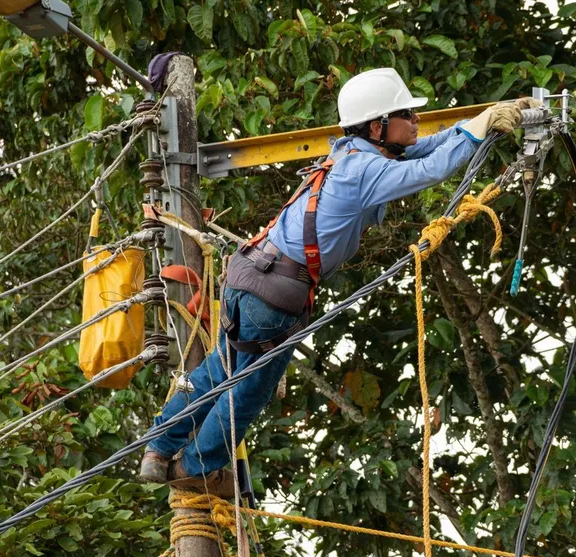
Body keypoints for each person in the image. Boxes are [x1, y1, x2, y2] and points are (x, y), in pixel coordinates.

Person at [139, 67, 539, 486]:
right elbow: (430, 170)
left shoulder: (353, 154)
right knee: (249, 391)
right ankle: (194, 470)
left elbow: (429, 148)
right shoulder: (364, 171)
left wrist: (481, 124)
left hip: (249, 274)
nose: (417, 121)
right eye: (407, 114)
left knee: (221, 370)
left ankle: (158, 447)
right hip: (275, 294)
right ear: (377, 125)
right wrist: (478, 130)